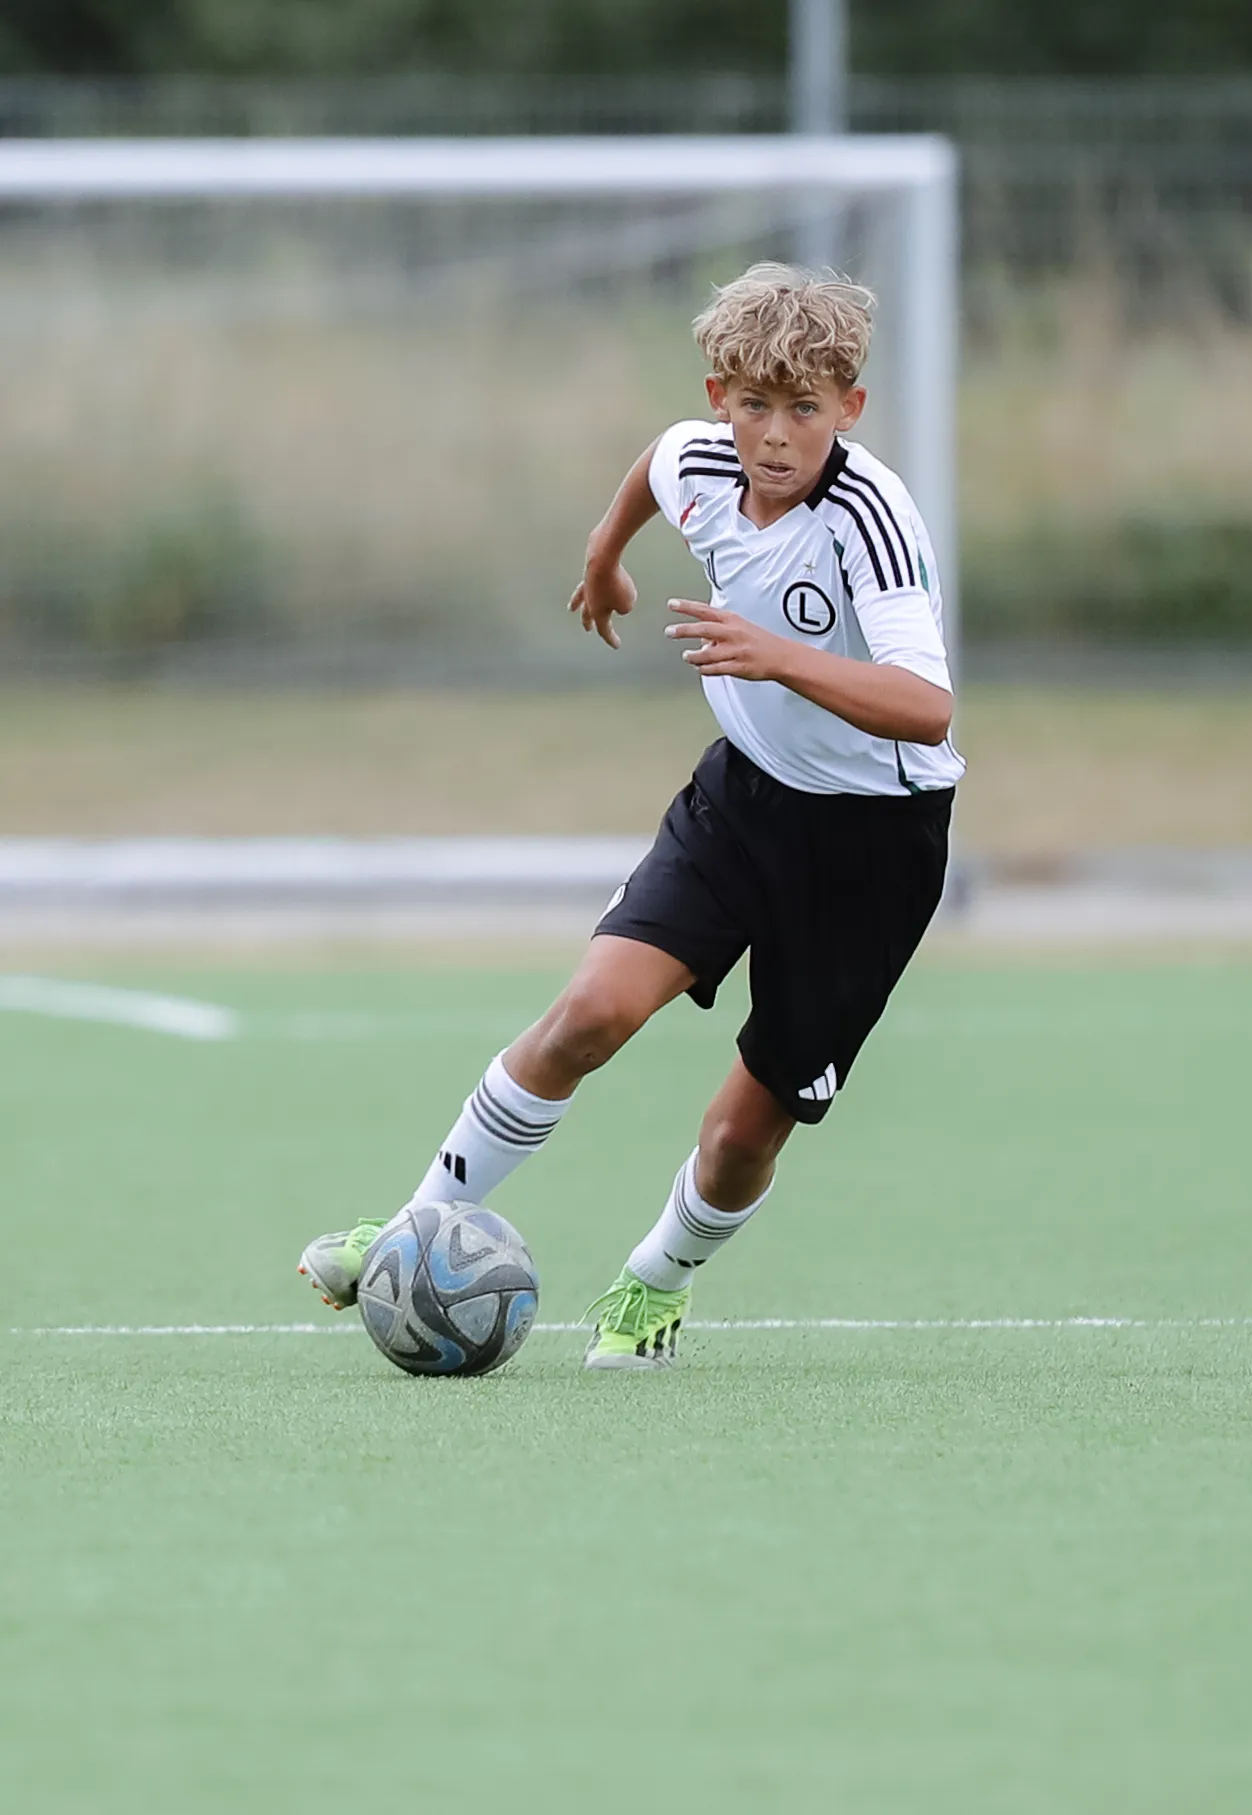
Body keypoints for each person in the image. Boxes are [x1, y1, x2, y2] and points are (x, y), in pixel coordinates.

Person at [298, 262, 964, 1368]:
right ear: (720, 398)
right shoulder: (697, 456)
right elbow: (653, 475)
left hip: (872, 848)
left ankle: (657, 1281)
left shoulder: (871, 521)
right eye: (754, 405)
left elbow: (929, 709)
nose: (777, 434)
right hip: (742, 799)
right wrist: (604, 559)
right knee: (589, 1015)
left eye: (806, 409)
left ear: (850, 408)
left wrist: (778, 659)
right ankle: (407, 1232)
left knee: (746, 1130)